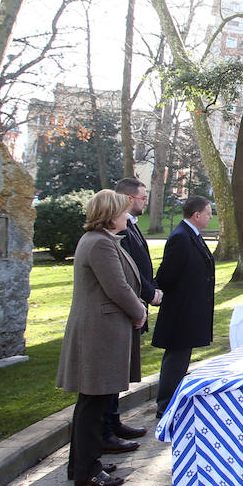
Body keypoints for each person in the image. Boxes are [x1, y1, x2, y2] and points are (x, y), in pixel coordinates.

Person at [55, 190, 148, 486]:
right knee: (92, 405)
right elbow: (118, 288)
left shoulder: (102, 241)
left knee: (91, 404)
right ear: (110, 215)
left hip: (101, 331)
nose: (126, 216)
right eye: (122, 211)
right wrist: (140, 311)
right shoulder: (99, 244)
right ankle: (87, 469)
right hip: (99, 334)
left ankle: (82, 464)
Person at [103, 178, 160, 449]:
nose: (145, 201)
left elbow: (142, 266)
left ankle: (113, 421)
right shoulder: (113, 233)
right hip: (121, 311)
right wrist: (149, 294)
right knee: (112, 370)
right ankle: (106, 430)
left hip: (133, 308)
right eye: (142, 197)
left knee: (121, 369)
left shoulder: (130, 226)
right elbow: (125, 275)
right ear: (127, 198)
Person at [152, 196, 216, 420]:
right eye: (208, 213)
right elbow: (167, 274)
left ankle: (172, 400)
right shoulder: (181, 237)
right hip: (180, 309)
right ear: (196, 215)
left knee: (182, 357)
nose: (211, 217)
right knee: (176, 357)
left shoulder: (191, 235)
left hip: (190, 307)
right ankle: (166, 404)